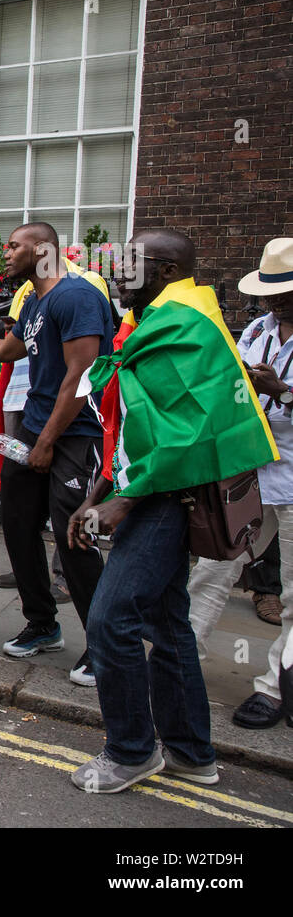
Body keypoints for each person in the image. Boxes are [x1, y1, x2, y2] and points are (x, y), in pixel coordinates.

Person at [67, 229, 278, 791]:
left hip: (167, 499)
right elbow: (139, 423)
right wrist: (98, 491)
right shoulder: (163, 315)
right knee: (168, 626)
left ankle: (132, 751)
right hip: (156, 490)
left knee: (110, 621)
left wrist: (123, 501)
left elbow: (188, 434)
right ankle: (190, 751)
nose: (115, 272)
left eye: (127, 263)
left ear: (161, 269)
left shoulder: (183, 322)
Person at [0, 223, 112, 685]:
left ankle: (104, 646)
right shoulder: (36, 300)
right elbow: (9, 349)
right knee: (18, 526)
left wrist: (46, 443)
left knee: (74, 536)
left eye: (14, 245)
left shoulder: (77, 296)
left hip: (71, 436)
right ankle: (42, 625)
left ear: (43, 250)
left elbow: (81, 379)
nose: (5, 252)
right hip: (34, 431)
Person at [187, 237, 293, 732]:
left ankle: (273, 690)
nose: (276, 301)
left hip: (291, 481)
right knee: (212, 570)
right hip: (249, 471)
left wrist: (284, 393)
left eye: (285, 291)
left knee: (291, 595)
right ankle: (179, 665)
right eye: (271, 291)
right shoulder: (256, 329)